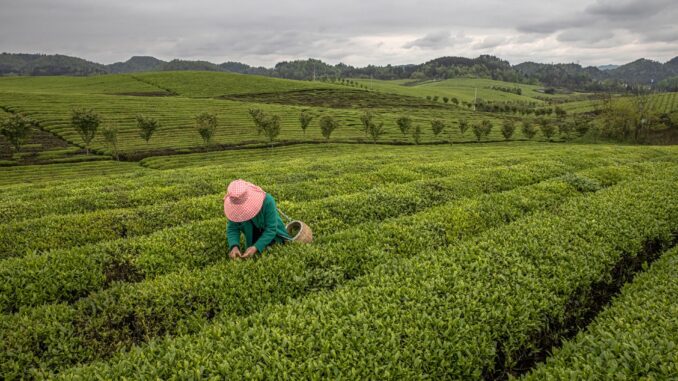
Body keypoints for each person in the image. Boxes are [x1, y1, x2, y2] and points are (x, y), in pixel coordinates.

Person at [224, 179, 291, 259]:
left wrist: (256, 247)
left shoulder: (267, 201)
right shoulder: (234, 208)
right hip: (253, 238)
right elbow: (232, 228)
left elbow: (271, 229)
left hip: (274, 237)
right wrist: (234, 246)